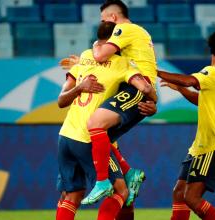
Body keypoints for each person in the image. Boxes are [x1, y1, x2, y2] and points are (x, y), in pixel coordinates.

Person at [56, 21, 156, 220]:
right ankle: (123, 174)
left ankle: (127, 172)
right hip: (88, 140)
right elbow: (144, 88)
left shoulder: (84, 58)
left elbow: (61, 101)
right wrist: (154, 101)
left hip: (65, 136)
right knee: (121, 192)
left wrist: (79, 88)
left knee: (72, 195)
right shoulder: (123, 64)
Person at [83, 0, 158, 204]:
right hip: (138, 86)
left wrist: (94, 46)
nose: (103, 24)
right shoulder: (140, 33)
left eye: (103, 19)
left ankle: (102, 182)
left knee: (95, 123)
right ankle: (128, 172)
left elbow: (99, 56)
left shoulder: (124, 29)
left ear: (113, 18)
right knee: (100, 135)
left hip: (137, 86)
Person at [159, 30, 215, 220]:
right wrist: (179, 88)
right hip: (202, 144)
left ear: (211, 48)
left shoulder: (214, 71)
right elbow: (200, 99)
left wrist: (153, 71)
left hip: (211, 144)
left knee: (191, 198)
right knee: (179, 192)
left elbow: (189, 81)